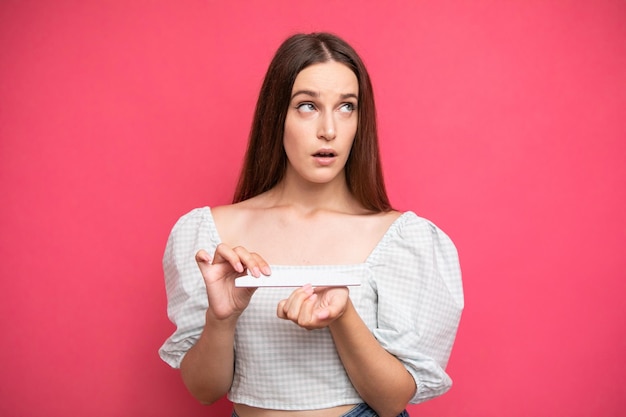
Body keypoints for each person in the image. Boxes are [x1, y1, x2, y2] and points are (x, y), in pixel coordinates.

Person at [159, 32, 463, 417]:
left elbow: (392, 401)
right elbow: (204, 391)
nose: (329, 130)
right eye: (307, 106)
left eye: (346, 107)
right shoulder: (210, 233)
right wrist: (221, 320)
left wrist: (342, 317)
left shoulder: (402, 239)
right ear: (276, 117)